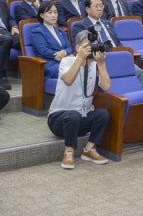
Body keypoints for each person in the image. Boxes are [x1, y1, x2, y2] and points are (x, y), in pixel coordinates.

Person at [47, 28, 111, 169]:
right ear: (77, 47)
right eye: (87, 46)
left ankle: (89, 149)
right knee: (73, 115)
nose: (90, 49)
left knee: (103, 114)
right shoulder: (66, 61)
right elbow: (68, 80)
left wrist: (101, 63)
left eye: (93, 46)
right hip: (59, 119)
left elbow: (106, 86)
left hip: (82, 118)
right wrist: (80, 59)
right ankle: (68, 151)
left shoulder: (95, 65)